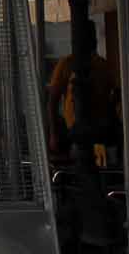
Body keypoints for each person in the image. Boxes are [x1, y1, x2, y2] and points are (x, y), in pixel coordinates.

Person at [47, 21, 116, 156]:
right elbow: (52, 102)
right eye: (87, 37)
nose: (92, 40)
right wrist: (53, 134)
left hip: (100, 130)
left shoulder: (103, 65)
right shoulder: (66, 64)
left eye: (92, 37)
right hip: (75, 131)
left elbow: (111, 100)